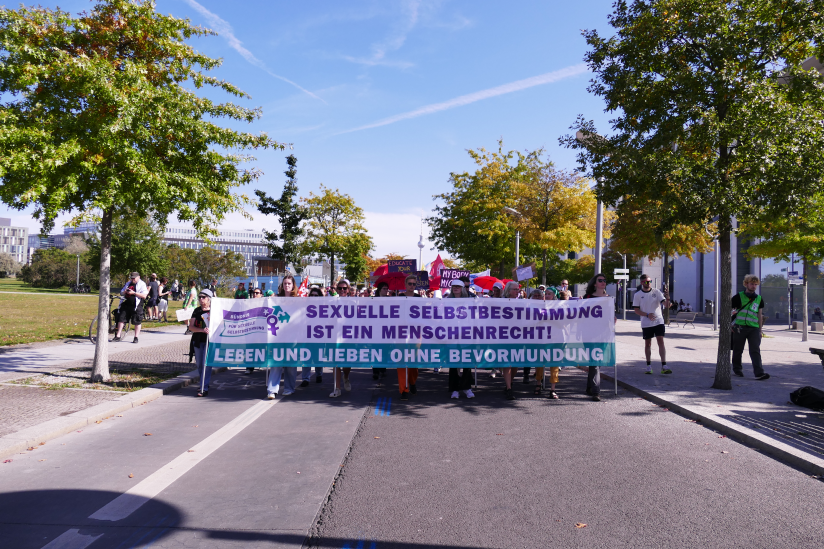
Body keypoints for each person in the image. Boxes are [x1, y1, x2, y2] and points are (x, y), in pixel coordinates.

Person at [266, 275, 299, 398]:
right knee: (276, 363)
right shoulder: (276, 299)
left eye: (289, 283)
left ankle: (289, 388)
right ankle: (272, 390)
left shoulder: (298, 300)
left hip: (292, 336)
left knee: (290, 364)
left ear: (293, 285)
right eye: (285, 283)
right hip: (278, 336)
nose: (287, 285)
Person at [632, 273, 671, 376]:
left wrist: (667, 298)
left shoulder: (656, 292)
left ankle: (664, 365)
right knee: (648, 344)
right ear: (642, 283)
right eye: (646, 281)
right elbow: (636, 310)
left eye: (650, 281)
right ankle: (649, 366)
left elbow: (667, 305)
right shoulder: (637, 295)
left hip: (658, 321)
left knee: (660, 341)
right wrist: (647, 314)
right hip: (646, 323)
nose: (649, 283)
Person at [732, 274, 769, 380]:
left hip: (754, 329)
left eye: (756, 284)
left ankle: (759, 373)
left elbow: (759, 315)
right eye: (752, 284)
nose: (754, 286)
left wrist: (760, 330)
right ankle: (737, 369)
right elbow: (730, 311)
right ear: (746, 284)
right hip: (739, 327)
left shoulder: (759, 299)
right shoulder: (738, 297)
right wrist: (730, 325)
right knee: (738, 350)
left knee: (755, 350)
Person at [446, 280, 475, 399]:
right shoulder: (447, 301)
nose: (455, 288)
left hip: (466, 336)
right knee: (454, 364)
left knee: (467, 363)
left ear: (462, 289)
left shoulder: (469, 301)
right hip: (452, 336)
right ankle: (455, 389)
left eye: (458, 286)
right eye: (454, 286)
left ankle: (467, 388)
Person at [395, 274, 421, 400]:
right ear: (405, 285)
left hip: (415, 333)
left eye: (414, 284)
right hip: (401, 333)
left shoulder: (419, 298)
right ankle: (403, 389)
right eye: (409, 283)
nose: (412, 286)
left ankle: (412, 382)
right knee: (401, 360)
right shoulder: (399, 297)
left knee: (413, 362)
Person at [330, 279, 355, 397]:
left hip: (348, 337)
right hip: (334, 336)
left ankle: (346, 376)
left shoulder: (353, 302)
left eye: (344, 288)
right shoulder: (332, 302)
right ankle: (337, 388)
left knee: (346, 364)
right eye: (340, 288)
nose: (342, 290)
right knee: (335, 363)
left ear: (348, 290)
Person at [498, 281, 522, 399]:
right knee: (507, 363)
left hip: (517, 336)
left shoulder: (521, 302)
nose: (517, 291)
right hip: (504, 336)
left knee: (515, 364)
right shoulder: (501, 302)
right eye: (515, 289)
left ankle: (510, 382)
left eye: (518, 289)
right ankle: (508, 388)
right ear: (508, 290)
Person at [189, 288, 214, 397]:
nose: (201, 299)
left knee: (206, 364)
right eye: (199, 297)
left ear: (209, 299)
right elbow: (191, 327)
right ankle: (203, 383)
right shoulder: (197, 311)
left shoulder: (214, 311)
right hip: (198, 340)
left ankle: (204, 387)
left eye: (203, 297)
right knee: (199, 364)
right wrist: (202, 330)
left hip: (210, 341)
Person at [113, 272, 148, 343]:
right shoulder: (128, 283)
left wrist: (134, 293)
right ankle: (118, 336)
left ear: (138, 277)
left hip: (137, 305)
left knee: (137, 321)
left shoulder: (142, 284)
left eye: (134, 278)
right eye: (132, 278)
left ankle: (136, 337)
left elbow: (144, 295)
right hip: (126, 304)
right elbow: (121, 292)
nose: (133, 279)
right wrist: (125, 292)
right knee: (121, 319)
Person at [371, 283, 391, 381]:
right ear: (379, 290)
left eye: (387, 289)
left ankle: (383, 369)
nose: (386, 290)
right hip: (375, 328)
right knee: (375, 350)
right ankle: (375, 371)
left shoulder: (390, 300)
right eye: (384, 288)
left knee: (385, 350)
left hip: (386, 328)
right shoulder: (373, 300)